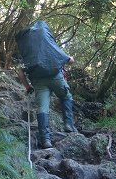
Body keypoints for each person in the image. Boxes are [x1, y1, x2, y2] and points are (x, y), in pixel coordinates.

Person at [15, 20, 77, 149]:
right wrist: (70, 58)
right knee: (66, 96)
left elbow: (20, 72)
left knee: (42, 108)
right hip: (56, 78)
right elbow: (70, 61)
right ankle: (69, 125)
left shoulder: (26, 50)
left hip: (38, 82)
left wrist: (27, 86)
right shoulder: (50, 45)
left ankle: (46, 140)